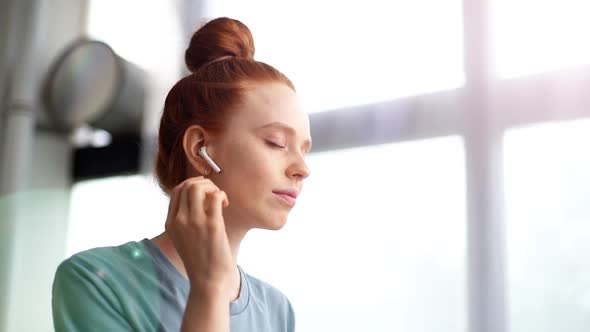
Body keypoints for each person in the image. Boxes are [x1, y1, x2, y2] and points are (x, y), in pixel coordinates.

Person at [52, 17, 311, 332]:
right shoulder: (97, 281)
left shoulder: (277, 312)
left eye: (304, 149)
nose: (302, 169)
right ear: (201, 147)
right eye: (277, 143)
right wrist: (210, 288)